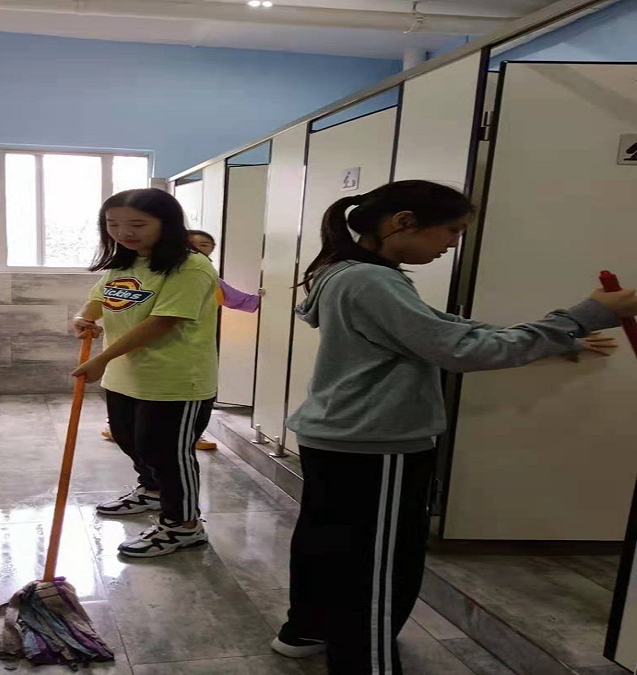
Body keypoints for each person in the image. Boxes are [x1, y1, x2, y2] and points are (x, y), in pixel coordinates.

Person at [273, 180, 632, 674]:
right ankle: (366, 663)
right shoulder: (373, 281)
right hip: (378, 444)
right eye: (451, 231)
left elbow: (444, 328)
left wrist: (563, 333)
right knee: (379, 567)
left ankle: (306, 629)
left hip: (340, 437)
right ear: (403, 222)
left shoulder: (346, 271)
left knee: (329, 544)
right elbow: (459, 348)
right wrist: (583, 316)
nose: (451, 244)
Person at [71, 188, 219, 558]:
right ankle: (152, 491)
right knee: (129, 440)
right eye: (113, 224)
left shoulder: (191, 267)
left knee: (168, 454)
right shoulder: (126, 262)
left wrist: (102, 359)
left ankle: (184, 525)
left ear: (166, 223)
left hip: (174, 380)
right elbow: (100, 297)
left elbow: (162, 322)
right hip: (126, 375)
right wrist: (83, 317)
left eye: (137, 224)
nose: (124, 232)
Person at [98, 228, 262, 450]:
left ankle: (188, 437)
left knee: (166, 445)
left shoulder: (199, 271)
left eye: (206, 245)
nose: (199, 249)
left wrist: (274, 299)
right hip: (131, 364)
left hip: (178, 366)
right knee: (136, 434)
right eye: (195, 244)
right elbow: (102, 298)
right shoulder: (138, 267)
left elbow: (239, 300)